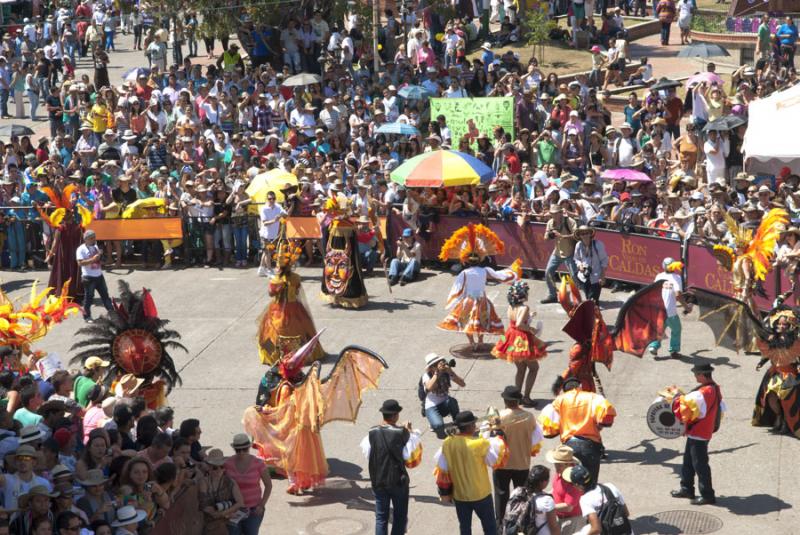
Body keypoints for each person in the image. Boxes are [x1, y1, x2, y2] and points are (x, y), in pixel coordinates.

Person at [438, 223, 520, 349]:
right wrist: (512, 272)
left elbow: (457, 288)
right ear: (480, 259)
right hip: (483, 301)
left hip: (468, 301)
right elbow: (499, 276)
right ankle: (481, 341)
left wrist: (453, 302)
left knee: (465, 323)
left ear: (466, 260)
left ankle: (472, 343)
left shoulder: (464, 273)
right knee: (484, 322)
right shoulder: (485, 270)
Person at [433, 411, 508, 535]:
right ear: (468, 426)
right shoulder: (480, 444)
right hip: (481, 494)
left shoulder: (447, 443)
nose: (475, 426)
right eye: (473, 424)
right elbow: (493, 460)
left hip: (460, 495)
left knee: (465, 528)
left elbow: (442, 467)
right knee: (489, 527)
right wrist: (497, 433)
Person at [359, 399, 423, 535]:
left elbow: (367, 452)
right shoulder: (402, 433)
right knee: (399, 517)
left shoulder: (372, 432)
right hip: (398, 481)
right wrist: (410, 432)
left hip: (378, 481)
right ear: (395, 416)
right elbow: (409, 455)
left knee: (381, 517)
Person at [256, 239, 324, 366]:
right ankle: (301, 353)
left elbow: (271, 294)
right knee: (301, 330)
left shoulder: (276, 280)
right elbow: (298, 291)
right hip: (295, 308)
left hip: (278, 309)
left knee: (275, 331)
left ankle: (276, 354)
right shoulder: (296, 278)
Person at [539, 378, 616, 487]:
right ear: (580, 386)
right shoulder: (593, 397)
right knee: (590, 485)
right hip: (590, 447)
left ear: (565, 391)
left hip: (569, 448)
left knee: (569, 485)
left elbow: (548, 432)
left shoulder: (559, 401)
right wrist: (597, 425)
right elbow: (607, 420)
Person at [669, 363, 725, 505]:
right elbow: (721, 408)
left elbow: (684, 406)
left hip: (699, 433)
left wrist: (675, 398)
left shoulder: (704, 392)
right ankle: (686, 488)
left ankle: (707, 495)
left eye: (696, 374)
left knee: (700, 464)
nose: (694, 376)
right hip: (700, 432)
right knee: (688, 461)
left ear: (702, 375)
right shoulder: (714, 388)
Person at [492, 386, 544, 523]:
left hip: (502, 464)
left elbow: (488, 437)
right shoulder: (529, 417)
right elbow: (537, 437)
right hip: (522, 463)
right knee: (521, 496)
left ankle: (500, 525)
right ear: (518, 400)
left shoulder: (498, 417)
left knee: (501, 495)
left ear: (505, 400)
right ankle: (518, 523)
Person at [492, 282, 547, 406]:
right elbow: (520, 324)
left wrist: (529, 316)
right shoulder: (524, 308)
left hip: (511, 336)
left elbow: (515, 321)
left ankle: (516, 397)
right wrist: (532, 329)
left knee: (521, 369)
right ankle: (526, 398)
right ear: (523, 295)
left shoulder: (511, 307)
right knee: (534, 368)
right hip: (521, 339)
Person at [562, 465, 631, 535]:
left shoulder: (585, 500)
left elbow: (596, 529)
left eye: (572, 484)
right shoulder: (610, 486)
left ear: (578, 485)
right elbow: (626, 513)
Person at [223, 434, 272, 533]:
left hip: (254, 509)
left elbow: (268, 485)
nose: (241, 452)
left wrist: (262, 505)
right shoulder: (227, 463)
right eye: (238, 450)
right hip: (233, 509)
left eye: (244, 449)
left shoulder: (258, 463)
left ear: (248, 448)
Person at [647, 257, 689, 359]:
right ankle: (674, 351)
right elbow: (678, 295)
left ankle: (653, 346)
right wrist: (686, 306)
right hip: (670, 312)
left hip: (658, 309)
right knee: (677, 329)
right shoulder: (677, 278)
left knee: (660, 328)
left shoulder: (659, 276)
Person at [501, 465, 561, 535]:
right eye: (547, 479)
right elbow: (553, 526)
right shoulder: (547, 501)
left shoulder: (517, 491)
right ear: (543, 482)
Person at [199, 448, 245, 535]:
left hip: (227, 523)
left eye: (222, 467)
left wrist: (223, 514)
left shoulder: (230, 481)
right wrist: (225, 514)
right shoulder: (204, 482)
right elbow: (204, 505)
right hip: (210, 525)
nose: (219, 470)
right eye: (215, 468)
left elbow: (240, 502)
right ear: (209, 467)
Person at [421, 353, 466, 439]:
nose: (440, 365)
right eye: (436, 364)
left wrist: (451, 372)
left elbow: (462, 384)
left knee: (452, 401)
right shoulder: (426, 376)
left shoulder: (446, 373)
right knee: (439, 427)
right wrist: (436, 374)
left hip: (445, 403)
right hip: (431, 406)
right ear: (431, 367)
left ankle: (457, 422)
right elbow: (429, 387)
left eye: (440, 362)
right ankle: (433, 423)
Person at [541, 206, 577, 304]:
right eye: (553, 213)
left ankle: (576, 297)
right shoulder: (550, 223)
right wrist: (550, 235)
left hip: (569, 252)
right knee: (548, 272)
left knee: (574, 276)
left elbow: (576, 235)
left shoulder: (570, 221)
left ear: (561, 212)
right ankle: (553, 295)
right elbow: (545, 238)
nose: (555, 215)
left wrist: (562, 236)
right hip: (557, 252)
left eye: (557, 213)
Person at [76, 229, 114, 323]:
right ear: (86, 239)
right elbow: (80, 263)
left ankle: (113, 314)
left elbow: (98, 260)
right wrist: (92, 260)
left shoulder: (96, 246)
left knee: (105, 296)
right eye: (92, 238)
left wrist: (101, 260)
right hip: (88, 277)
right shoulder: (81, 249)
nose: (94, 240)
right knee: (89, 298)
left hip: (99, 276)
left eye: (94, 238)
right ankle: (87, 317)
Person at [546, 446, 585, 534]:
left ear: (568, 464)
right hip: (559, 517)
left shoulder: (574, 481)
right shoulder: (560, 472)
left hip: (571, 520)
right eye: (555, 463)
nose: (556, 467)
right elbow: (555, 490)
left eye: (559, 464)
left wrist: (548, 508)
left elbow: (568, 507)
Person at [572, 226, 608, 304]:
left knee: (593, 301)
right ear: (579, 236)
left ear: (590, 234)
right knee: (588, 298)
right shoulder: (578, 245)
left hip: (596, 277)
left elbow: (604, 261)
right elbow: (576, 258)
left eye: (586, 233)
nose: (584, 235)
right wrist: (580, 265)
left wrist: (602, 276)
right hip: (583, 277)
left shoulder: (598, 245)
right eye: (582, 234)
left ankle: (594, 313)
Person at [258, 192, 287, 277]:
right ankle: (269, 270)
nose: (272, 200)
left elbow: (285, 214)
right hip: (265, 234)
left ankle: (261, 268)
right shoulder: (263, 209)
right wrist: (275, 220)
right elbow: (265, 223)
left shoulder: (278, 206)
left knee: (267, 252)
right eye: (270, 199)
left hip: (274, 235)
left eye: (273, 198)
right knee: (267, 252)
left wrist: (282, 214)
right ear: (267, 199)